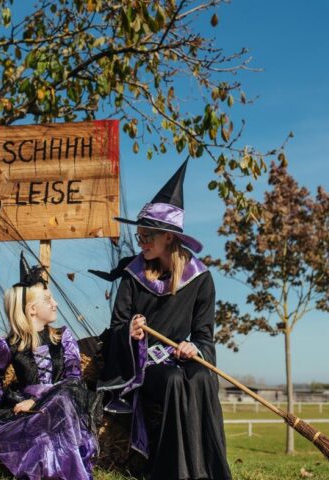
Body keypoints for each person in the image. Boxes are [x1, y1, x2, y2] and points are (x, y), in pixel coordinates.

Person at [98, 160, 232, 479]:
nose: (141, 241)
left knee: (201, 377)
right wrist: (130, 332)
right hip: (143, 364)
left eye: (148, 236)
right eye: (140, 235)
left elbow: (204, 335)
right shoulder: (133, 275)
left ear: (169, 238)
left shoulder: (200, 279)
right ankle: (172, 470)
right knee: (171, 380)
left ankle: (207, 470)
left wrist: (194, 350)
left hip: (179, 359)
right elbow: (118, 325)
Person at [0, 254, 101, 480]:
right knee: (40, 442)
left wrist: (38, 400)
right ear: (32, 309)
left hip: (65, 405)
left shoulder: (63, 338)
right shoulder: (8, 345)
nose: (56, 303)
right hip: (30, 412)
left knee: (64, 397)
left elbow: (74, 380)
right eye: (49, 299)